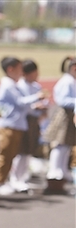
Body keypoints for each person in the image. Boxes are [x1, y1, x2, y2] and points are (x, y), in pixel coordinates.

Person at [0, 57, 46, 195]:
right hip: (8, 124)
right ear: (11, 69)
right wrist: (36, 98)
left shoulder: (13, 84)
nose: (21, 72)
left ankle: (3, 181)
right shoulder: (8, 85)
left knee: (11, 154)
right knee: (5, 155)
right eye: (19, 68)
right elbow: (20, 102)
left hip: (16, 124)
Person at [43, 56, 76, 194]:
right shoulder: (66, 82)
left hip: (69, 115)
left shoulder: (71, 81)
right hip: (63, 116)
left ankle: (62, 170)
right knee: (59, 144)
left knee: (67, 144)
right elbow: (62, 100)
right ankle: (54, 171)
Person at [10, 59, 45, 192]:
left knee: (29, 149)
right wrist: (35, 103)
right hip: (24, 120)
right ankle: (15, 177)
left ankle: (23, 176)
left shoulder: (36, 86)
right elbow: (22, 104)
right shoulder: (20, 86)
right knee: (21, 150)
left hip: (34, 120)